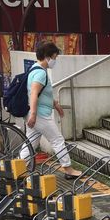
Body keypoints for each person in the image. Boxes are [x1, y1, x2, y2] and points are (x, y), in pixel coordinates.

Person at [23, 41, 81, 179]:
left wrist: (55, 104)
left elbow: (43, 94)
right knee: (57, 140)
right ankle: (68, 169)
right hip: (40, 115)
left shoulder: (34, 69)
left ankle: (18, 167)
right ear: (47, 56)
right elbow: (34, 94)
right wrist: (33, 114)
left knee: (31, 142)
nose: (55, 61)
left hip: (36, 114)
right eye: (54, 57)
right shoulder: (41, 73)